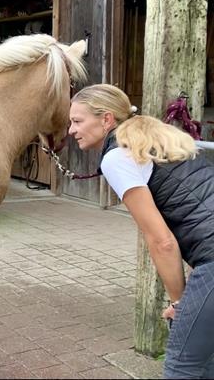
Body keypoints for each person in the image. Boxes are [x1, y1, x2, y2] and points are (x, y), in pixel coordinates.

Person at [69, 84, 214, 379]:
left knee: (181, 366)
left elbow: (162, 242)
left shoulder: (117, 157)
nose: (71, 130)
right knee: (205, 360)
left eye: (77, 121)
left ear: (106, 119)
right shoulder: (163, 139)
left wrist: (179, 303)